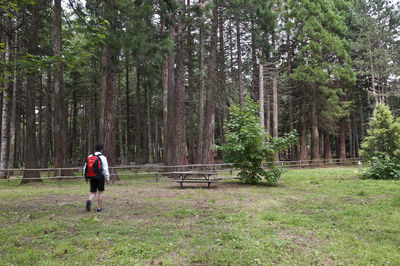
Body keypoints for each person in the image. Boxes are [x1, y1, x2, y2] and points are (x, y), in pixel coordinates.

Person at [83, 144, 110, 212]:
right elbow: (105, 169)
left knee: (93, 192)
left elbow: (85, 168)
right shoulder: (103, 157)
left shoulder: (90, 156)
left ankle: (89, 200)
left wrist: (86, 177)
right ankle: (99, 208)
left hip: (92, 176)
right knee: (100, 192)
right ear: (101, 150)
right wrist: (107, 178)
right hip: (100, 176)